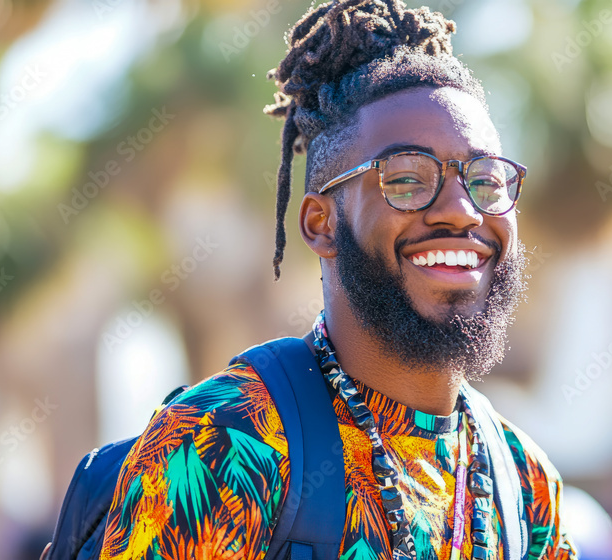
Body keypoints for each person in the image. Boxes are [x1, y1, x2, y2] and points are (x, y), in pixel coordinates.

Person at [97, 1, 577, 558]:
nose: (462, 211)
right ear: (321, 224)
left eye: (486, 179)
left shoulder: (526, 485)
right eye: (406, 178)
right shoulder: (225, 442)